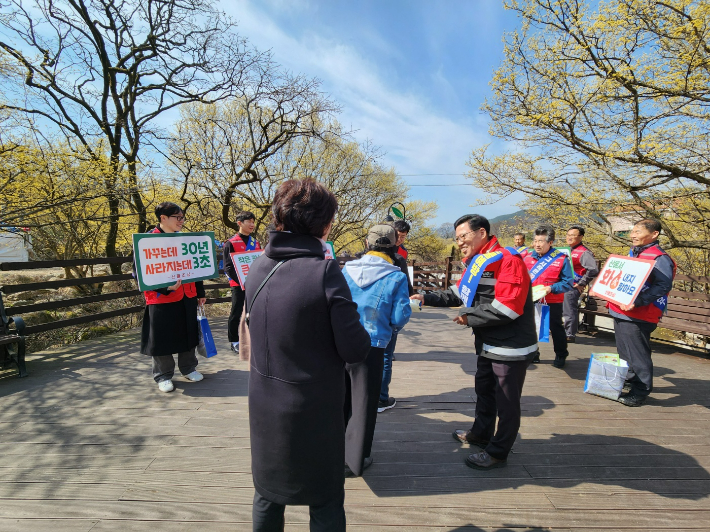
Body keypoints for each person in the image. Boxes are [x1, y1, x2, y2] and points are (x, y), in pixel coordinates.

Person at [245, 179, 370, 532]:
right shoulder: (325, 272)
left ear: (279, 218)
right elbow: (355, 348)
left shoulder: (257, 267)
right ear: (325, 225)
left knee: (267, 494)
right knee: (325, 498)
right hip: (312, 409)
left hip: (264, 402)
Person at [411, 214, 538, 470]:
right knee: (485, 392)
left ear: (481, 233)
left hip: (510, 347)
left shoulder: (508, 260)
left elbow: (510, 308)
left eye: (463, 236)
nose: (459, 242)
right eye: (456, 238)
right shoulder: (479, 261)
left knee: (507, 402)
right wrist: (426, 297)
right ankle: (480, 434)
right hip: (489, 343)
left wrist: (470, 317)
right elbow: (458, 293)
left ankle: (498, 452)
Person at [342, 224, 411, 475]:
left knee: (342, 398)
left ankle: (336, 451)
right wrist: (391, 327)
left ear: (367, 243)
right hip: (373, 344)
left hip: (342, 343)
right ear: (394, 246)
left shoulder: (346, 270)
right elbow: (400, 315)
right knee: (365, 404)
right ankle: (356, 459)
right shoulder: (396, 275)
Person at [137, 202, 206, 393]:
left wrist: (200, 292)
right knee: (162, 338)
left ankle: (188, 368)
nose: (182, 221)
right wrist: (164, 287)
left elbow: (195, 267)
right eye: (178, 217)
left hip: (187, 295)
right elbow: (140, 272)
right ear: (163, 218)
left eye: (183, 217)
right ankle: (163, 375)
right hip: (161, 298)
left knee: (188, 333)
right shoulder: (146, 241)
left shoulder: (185, 239)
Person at [607, 219, 675, 407]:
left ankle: (641, 391)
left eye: (638, 231)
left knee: (637, 354)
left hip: (639, 314)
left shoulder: (658, 257)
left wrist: (637, 301)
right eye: (633, 231)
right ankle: (630, 382)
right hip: (621, 311)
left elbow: (663, 285)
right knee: (625, 352)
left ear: (654, 235)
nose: (633, 235)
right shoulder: (637, 253)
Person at [523, 226, 574, 368]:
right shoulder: (527, 257)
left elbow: (568, 283)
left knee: (556, 328)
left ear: (550, 242)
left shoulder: (561, 259)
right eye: (535, 240)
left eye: (541, 241)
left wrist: (552, 288)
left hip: (552, 301)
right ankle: (534, 353)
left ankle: (561, 354)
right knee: (529, 327)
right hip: (531, 299)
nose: (537, 244)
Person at [379, 219, 414, 412]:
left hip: (369, 314)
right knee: (385, 357)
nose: (401, 239)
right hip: (390, 313)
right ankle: (381, 398)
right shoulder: (398, 259)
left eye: (404, 237)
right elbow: (406, 287)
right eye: (399, 236)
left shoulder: (361, 259)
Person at [223, 211, 261, 353]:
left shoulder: (255, 242)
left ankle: (253, 339)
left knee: (254, 312)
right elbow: (228, 267)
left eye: (253, 221)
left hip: (254, 284)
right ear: (239, 223)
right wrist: (241, 281)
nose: (252, 224)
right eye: (249, 221)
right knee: (236, 312)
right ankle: (234, 341)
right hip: (238, 285)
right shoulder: (230, 243)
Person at [563, 225, 599, 343]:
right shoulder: (567, 250)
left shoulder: (584, 252)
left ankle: (570, 334)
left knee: (570, 310)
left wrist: (581, 283)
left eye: (573, 235)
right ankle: (563, 330)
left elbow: (593, 269)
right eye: (568, 235)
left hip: (573, 285)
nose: (570, 237)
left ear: (581, 237)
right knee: (562, 309)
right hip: (562, 284)